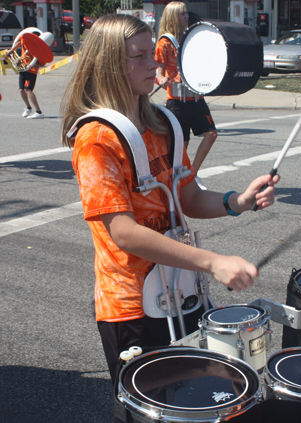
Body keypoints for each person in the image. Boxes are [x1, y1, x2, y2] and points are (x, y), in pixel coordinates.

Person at [60, 14, 279, 386]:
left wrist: (237, 201)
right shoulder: (96, 139)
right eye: (140, 56)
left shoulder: (164, 124)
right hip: (132, 308)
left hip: (183, 290)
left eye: (153, 53)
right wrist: (212, 261)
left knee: (201, 397)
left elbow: (188, 197)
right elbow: (124, 233)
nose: (155, 64)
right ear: (110, 64)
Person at [155, 1, 217, 190]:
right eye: (182, 14)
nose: (186, 16)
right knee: (182, 144)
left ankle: (193, 174)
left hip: (197, 97)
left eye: (186, 13)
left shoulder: (190, 39)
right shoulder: (164, 43)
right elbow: (159, 73)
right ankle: (176, 181)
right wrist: (162, 79)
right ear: (173, 16)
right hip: (177, 100)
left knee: (211, 134)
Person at [6, 31, 45, 119]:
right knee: (21, 90)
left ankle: (39, 112)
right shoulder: (26, 40)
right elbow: (19, 42)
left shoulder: (39, 50)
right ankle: (28, 108)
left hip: (31, 71)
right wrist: (12, 50)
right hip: (23, 69)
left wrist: (33, 64)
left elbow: (42, 64)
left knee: (28, 90)